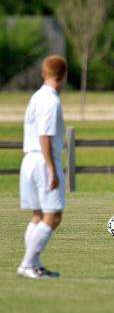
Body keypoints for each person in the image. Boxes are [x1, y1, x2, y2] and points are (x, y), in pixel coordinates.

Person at [17, 55, 67, 279]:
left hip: (29, 159)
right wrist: (51, 168)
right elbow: (44, 135)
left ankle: (33, 265)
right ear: (64, 75)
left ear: (43, 73)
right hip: (42, 159)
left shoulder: (36, 96)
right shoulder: (51, 100)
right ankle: (27, 264)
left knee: (38, 215)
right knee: (53, 217)